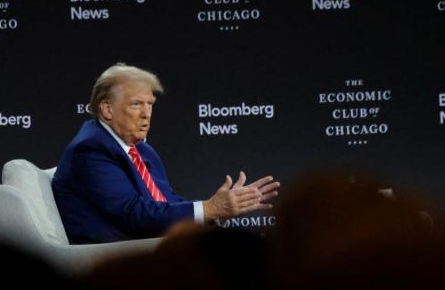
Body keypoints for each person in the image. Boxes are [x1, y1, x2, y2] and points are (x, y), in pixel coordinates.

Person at [52, 63, 280, 244]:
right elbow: (133, 214)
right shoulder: (91, 150)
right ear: (107, 109)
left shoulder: (142, 150)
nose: (146, 114)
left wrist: (216, 214)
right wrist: (209, 208)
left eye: (150, 104)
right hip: (114, 264)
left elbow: (166, 203)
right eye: (136, 104)